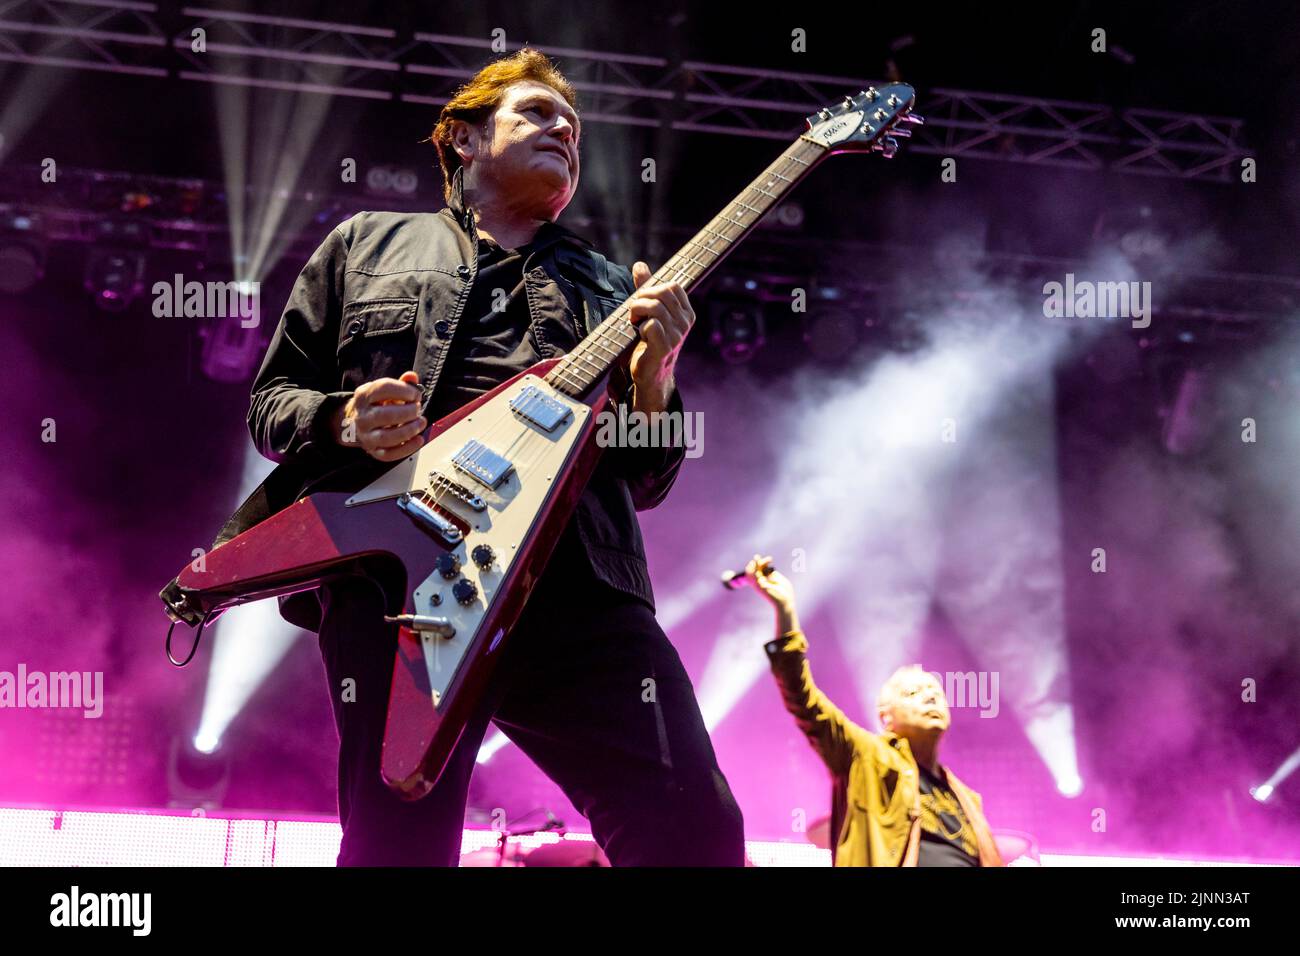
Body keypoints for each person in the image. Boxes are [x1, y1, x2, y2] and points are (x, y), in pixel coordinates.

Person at [240, 47, 744, 866]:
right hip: (398, 583)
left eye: (574, 129)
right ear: (465, 139)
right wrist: (346, 419)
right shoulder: (364, 244)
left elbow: (648, 477)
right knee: (396, 843)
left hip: (576, 587)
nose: (564, 133)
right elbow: (272, 407)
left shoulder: (614, 288)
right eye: (538, 115)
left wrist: (657, 376)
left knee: (693, 828)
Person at [742, 555, 1002, 866]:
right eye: (913, 693)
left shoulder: (966, 798)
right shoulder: (866, 758)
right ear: (886, 718)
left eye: (935, 692)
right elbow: (804, 700)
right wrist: (785, 610)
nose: (930, 698)